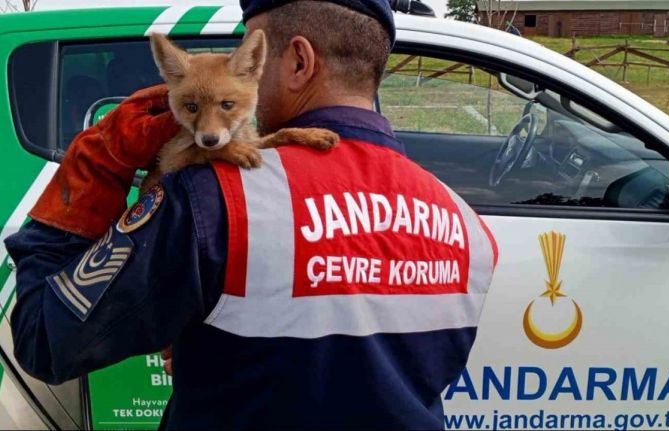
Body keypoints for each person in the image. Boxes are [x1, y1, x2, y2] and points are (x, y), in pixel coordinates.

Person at [5, 0, 498, 429]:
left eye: (256, 57)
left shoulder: (213, 200)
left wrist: (90, 172)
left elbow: (44, 339)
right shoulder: (467, 225)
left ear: (299, 62)